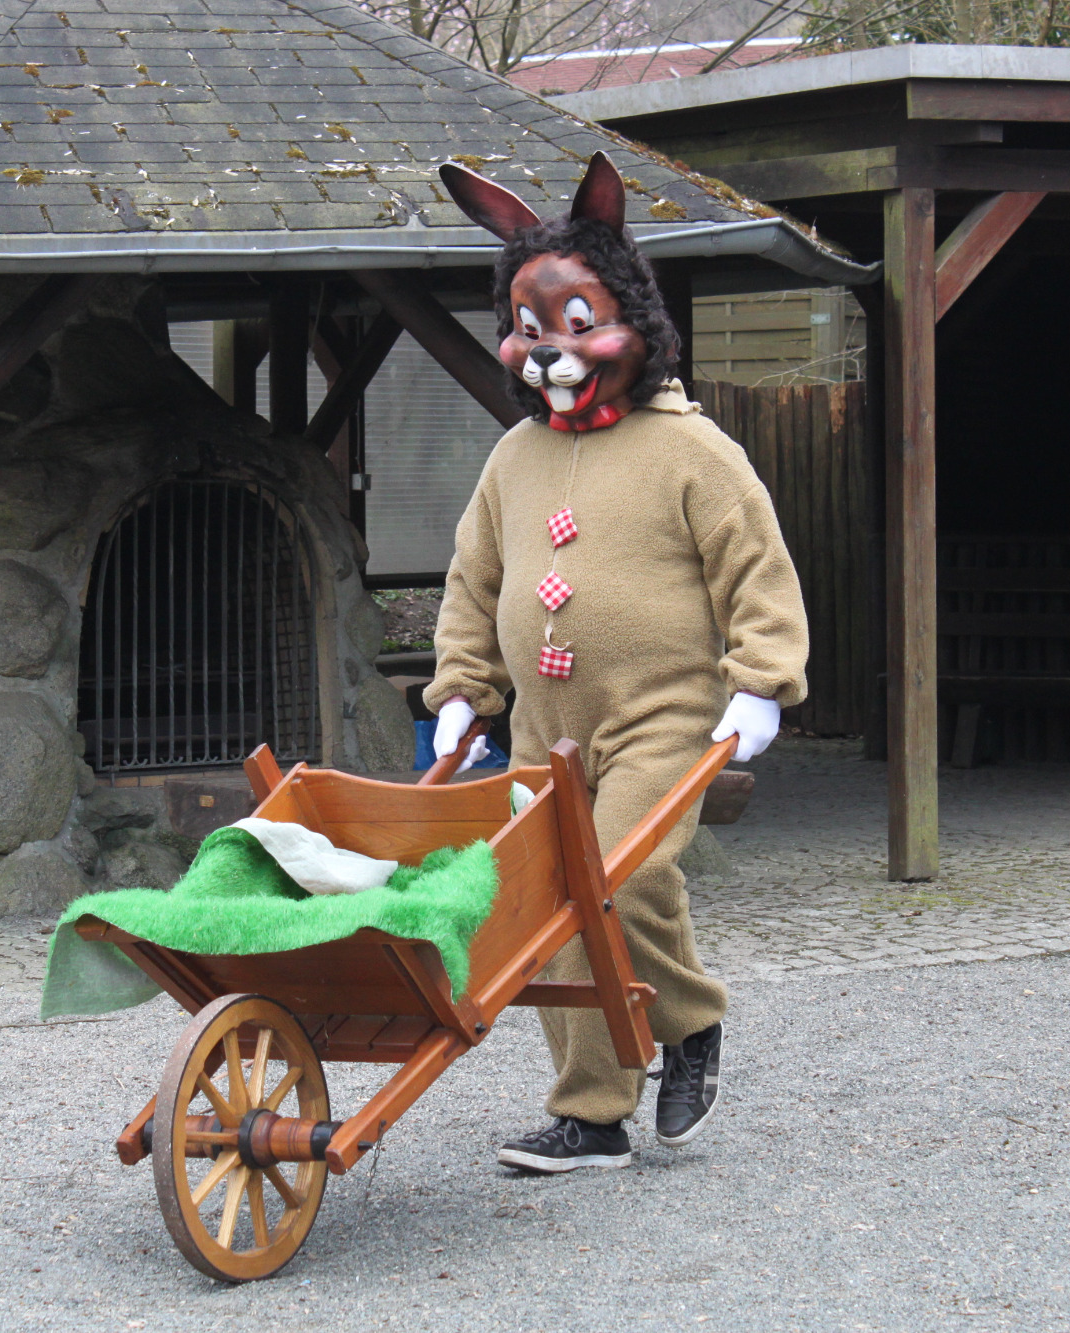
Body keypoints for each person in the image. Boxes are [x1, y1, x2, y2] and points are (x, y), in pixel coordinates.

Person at [424, 152, 811, 1172]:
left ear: (632, 314)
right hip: (540, 728)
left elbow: (755, 569)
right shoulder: (512, 458)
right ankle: (591, 1112)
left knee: (619, 879)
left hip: (659, 715)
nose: (548, 349)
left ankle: (688, 1019)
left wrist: (762, 681)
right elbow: (473, 581)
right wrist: (462, 687)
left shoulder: (691, 451)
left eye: (576, 320)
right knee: (542, 905)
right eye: (528, 327)